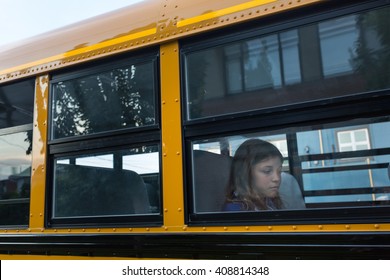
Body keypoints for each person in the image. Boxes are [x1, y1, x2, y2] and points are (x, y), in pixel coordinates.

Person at [223, 139, 284, 211]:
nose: (277, 178)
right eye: (267, 171)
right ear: (246, 174)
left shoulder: (270, 202)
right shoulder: (236, 209)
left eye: (279, 171)